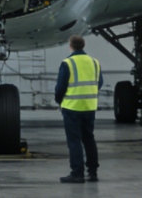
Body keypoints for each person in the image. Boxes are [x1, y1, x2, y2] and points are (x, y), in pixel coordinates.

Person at [54, 34, 102, 184]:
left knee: (74, 141)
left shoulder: (67, 63)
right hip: (89, 107)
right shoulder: (94, 62)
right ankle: (93, 172)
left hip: (72, 108)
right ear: (83, 45)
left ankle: (77, 173)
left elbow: (60, 87)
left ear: (71, 46)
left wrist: (59, 100)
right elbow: (99, 82)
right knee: (89, 139)